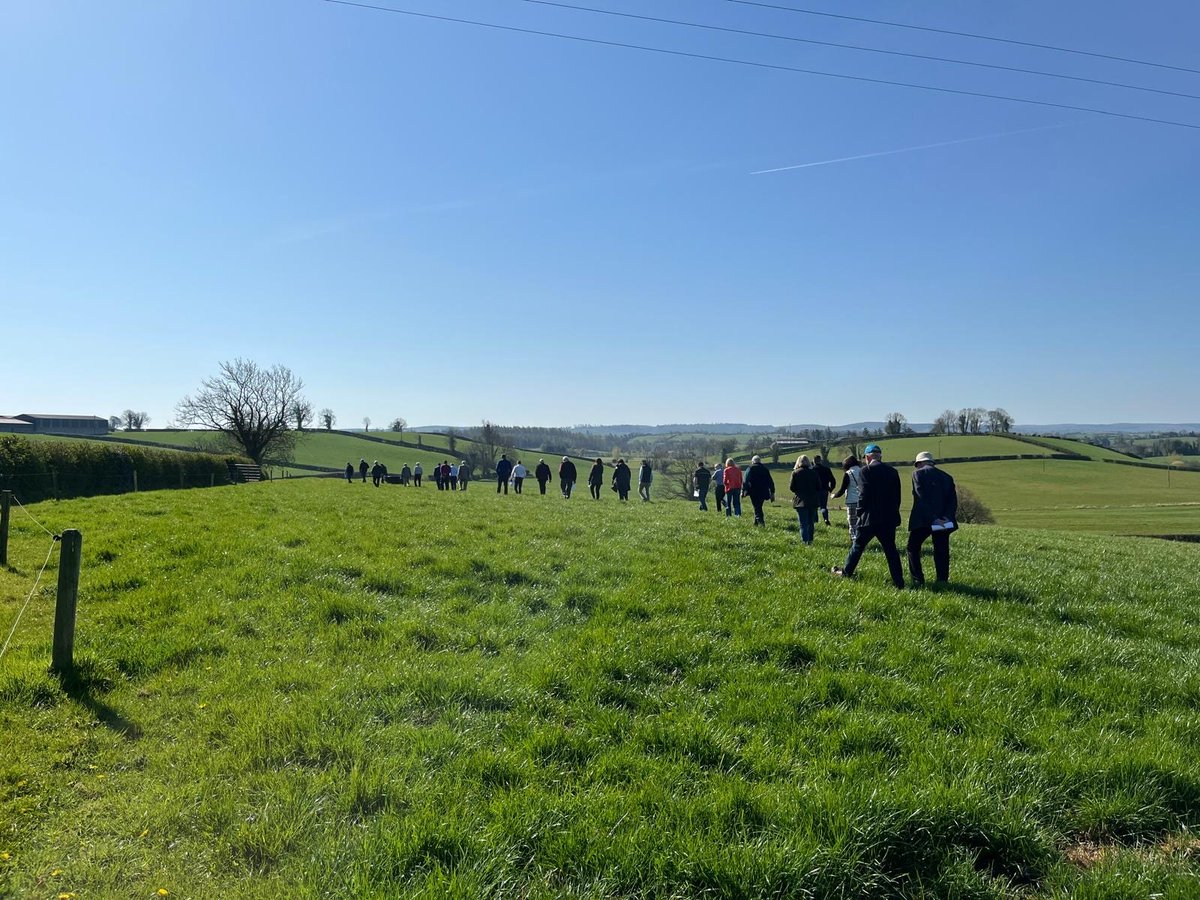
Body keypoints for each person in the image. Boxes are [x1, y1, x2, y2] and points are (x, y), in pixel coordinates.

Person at [833, 444, 904, 589]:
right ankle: (899, 582)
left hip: (869, 518)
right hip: (888, 519)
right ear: (880, 456)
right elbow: (897, 497)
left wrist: (859, 512)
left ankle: (846, 572)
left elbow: (863, 495)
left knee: (857, 547)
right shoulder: (892, 472)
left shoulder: (866, 471)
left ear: (868, 457)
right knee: (891, 551)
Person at [907, 450, 959, 586]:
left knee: (912, 547)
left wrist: (933, 517)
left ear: (919, 463)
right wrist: (944, 518)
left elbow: (921, 497)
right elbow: (952, 502)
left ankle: (918, 580)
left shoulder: (917, 474)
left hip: (924, 519)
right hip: (944, 520)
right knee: (941, 549)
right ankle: (942, 580)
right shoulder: (947, 477)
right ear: (932, 462)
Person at [789, 455, 821, 545]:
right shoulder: (814, 473)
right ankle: (810, 540)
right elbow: (819, 486)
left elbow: (792, 487)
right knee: (811, 523)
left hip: (800, 501)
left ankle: (805, 541)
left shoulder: (795, 473)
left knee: (803, 524)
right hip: (813, 501)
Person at [832, 455, 864, 543]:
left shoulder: (848, 474)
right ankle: (862, 540)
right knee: (861, 523)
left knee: (852, 523)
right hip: (863, 501)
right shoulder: (864, 471)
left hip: (852, 501)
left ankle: (855, 542)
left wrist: (834, 495)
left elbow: (842, 489)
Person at [743, 455, 775, 526]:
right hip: (763, 491)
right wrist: (772, 492)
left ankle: (761, 522)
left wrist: (744, 490)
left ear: (753, 461)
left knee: (756, 506)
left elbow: (745, 480)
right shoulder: (765, 469)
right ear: (760, 461)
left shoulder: (750, 468)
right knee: (758, 506)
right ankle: (756, 523)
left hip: (753, 490)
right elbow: (770, 481)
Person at [814, 454, 837, 526]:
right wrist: (830, 489)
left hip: (815, 491)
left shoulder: (812, 470)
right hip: (824, 490)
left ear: (813, 461)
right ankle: (826, 519)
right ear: (820, 461)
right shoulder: (826, 469)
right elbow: (833, 480)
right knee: (823, 506)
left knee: (815, 506)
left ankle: (815, 521)